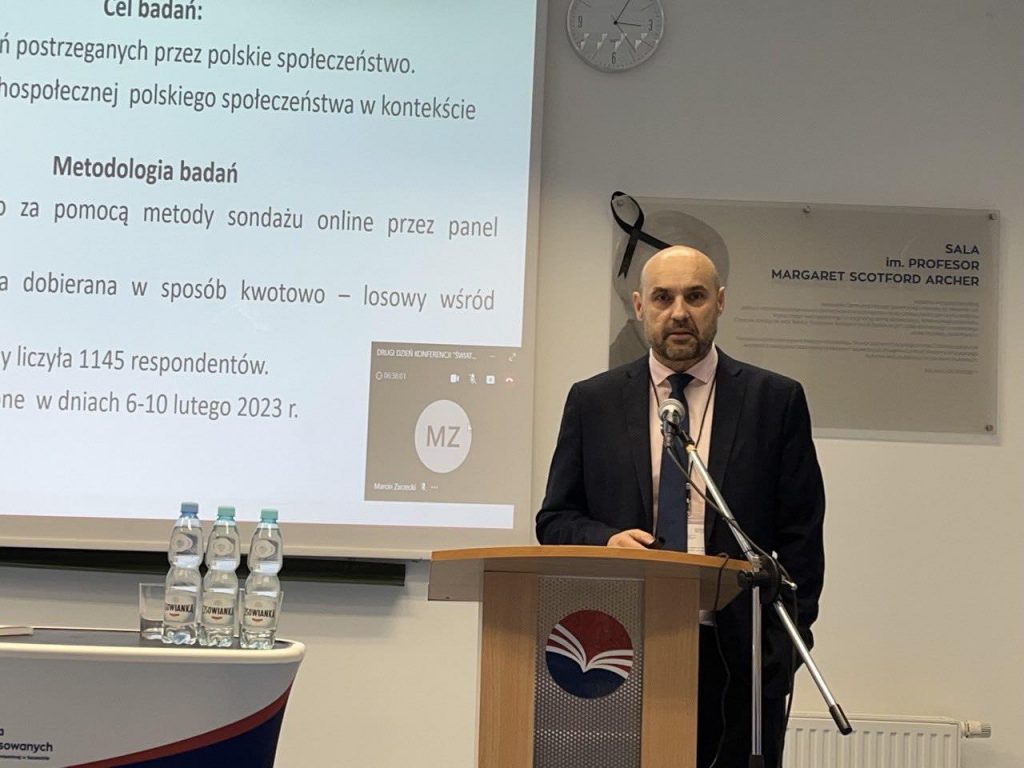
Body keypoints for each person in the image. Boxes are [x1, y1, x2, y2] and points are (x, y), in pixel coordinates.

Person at [536, 245, 825, 768]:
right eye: (662, 298)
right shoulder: (593, 401)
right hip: (619, 647)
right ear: (639, 306)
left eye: (694, 297)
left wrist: (782, 649)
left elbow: (802, 536)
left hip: (740, 655)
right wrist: (606, 540)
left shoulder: (774, 400)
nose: (678, 312)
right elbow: (554, 520)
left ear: (720, 302)